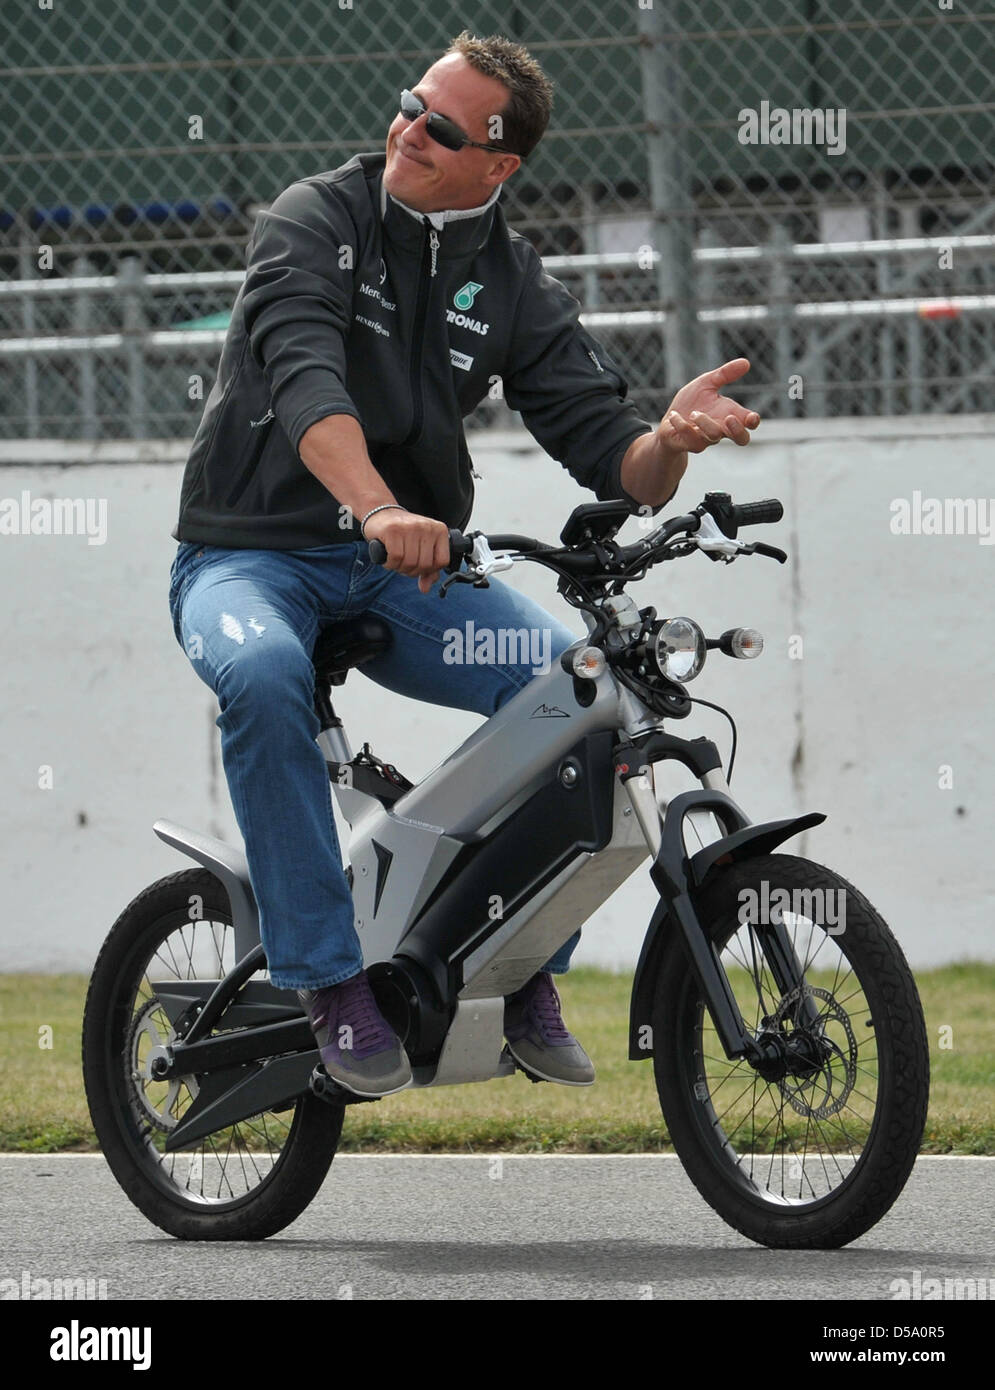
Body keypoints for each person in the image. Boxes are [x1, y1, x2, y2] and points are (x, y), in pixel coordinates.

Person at [168, 30, 760, 1098]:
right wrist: (381, 506)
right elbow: (306, 388)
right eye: (408, 103)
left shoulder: (511, 276)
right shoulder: (313, 220)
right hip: (247, 558)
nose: (408, 130)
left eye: (439, 126)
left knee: (574, 702)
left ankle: (513, 958)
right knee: (258, 683)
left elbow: (607, 447)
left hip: (405, 574)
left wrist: (666, 439)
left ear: (498, 162)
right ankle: (329, 981)